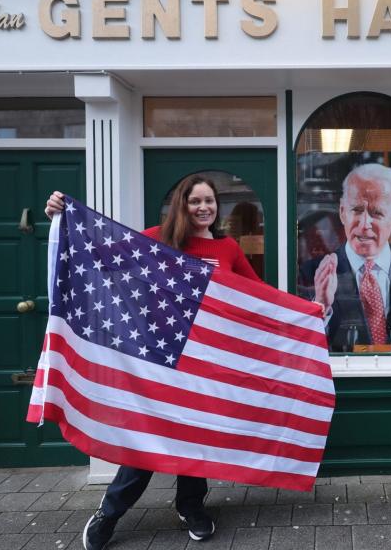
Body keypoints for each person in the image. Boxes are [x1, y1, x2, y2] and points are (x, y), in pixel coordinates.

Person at [45, 175, 260, 547]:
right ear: (183, 204)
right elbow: (99, 252)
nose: (204, 208)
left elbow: (258, 296)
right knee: (148, 440)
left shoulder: (228, 248)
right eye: (196, 201)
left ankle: (191, 506)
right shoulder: (157, 238)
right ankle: (108, 514)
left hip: (203, 363)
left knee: (194, 435)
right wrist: (62, 217)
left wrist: (304, 311)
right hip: (158, 359)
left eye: (210, 201)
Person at [298, 162, 391, 352]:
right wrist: (321, 305)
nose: (365, 224)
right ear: (343, 212)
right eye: (357, 210)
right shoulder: (312, 273)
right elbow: (303, 347)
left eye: (377, 213)